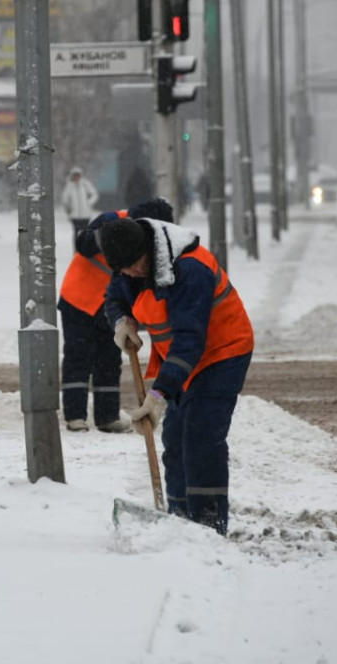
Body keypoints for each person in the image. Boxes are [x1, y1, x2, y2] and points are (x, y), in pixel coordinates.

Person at [99, 215, 254, 536]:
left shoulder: (190, 269)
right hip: (182, 359)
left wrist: (158, 396)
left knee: (201, 440)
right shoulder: (132, 264)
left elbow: (190, 340)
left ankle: (207, 527)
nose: (129, 274)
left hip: (222, 353)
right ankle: (180, 522)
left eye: (132, 265)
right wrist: (121, 321)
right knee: (175, 442)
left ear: (147, 250)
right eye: (122, 269)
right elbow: (114, 296)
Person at [58, 198, 174, 434]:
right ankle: (75, 415)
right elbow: (83, 244)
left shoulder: (151, 241)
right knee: (78, 358)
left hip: (109, 306)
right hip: (78, 299)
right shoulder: (112, 220)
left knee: (108, 360)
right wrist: (109, 238)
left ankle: (107, 417)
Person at [60, 166, 99, 249]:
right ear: (72, 176)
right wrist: (69, 207)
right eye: (75, 175)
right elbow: (64, 199)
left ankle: (84, 249)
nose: (77, 177)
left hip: (86, 214)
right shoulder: (69, 186)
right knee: (76, 233)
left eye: (78, 175)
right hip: (75, 216)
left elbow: (94, 194)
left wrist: (89, 203)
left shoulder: (85, 184)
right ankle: (77, 250)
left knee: (85, 233)